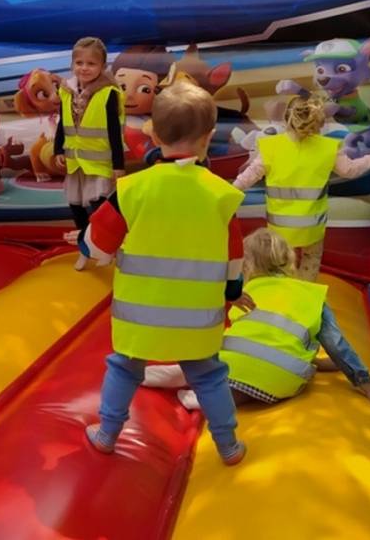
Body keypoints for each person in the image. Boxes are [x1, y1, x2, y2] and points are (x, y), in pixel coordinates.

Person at [82, 83, 248, 466]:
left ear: (154, 135)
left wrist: (87, 244)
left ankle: (107, 434)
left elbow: (97, 246)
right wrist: (233, 291)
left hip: (140, 317)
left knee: (125, 368)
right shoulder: (221, 195)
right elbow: (234, 258)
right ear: (208, 138)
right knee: (208, 376)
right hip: (198, 318)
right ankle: (228, 445)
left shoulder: (132, 189)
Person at [144, 228, 370, 416]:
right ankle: (214, 398)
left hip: (232, 363)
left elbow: (250, 335)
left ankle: (181, 375)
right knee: (263, 379)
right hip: (282, 376)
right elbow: (336, 344)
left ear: (247, 266)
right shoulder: (310, 295)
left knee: (224, 363)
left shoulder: (245, 293)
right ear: (289, 260)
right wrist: (368, 388)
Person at [234, 93, 370, 280]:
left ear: (287, 118)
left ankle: (283, 291)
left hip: (279, 228)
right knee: (311, 261)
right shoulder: (328, 147)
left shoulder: (271, 147)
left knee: (279, 265)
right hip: (312, 227)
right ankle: (306, 288)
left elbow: (248, 177)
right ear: (319, 122)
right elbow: (350, 170)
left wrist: (227, 191)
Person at [54, 37, 125, 271]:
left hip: (98, 163)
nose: (84, 68)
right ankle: (84, 250)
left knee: (100, 212)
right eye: (79, 63)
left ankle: (106, 249)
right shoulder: (66, 90)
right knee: (77, 209)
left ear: (102, 66)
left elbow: (114, 132)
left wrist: (118, 165)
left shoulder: (108, 93)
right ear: (72, 64)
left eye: (91, 64)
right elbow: (62, 122)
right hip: (75, 162)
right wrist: (58, 149)